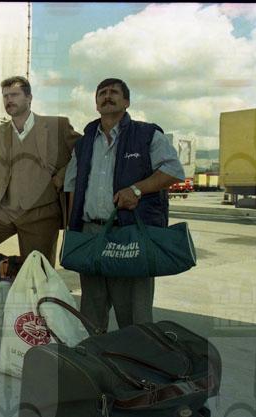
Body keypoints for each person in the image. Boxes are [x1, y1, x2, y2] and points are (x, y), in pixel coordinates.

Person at [65, 78, 185, 331]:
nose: (107, 96)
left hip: (131, 235)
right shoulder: (83, 143)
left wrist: (136, 189)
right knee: (91, 314)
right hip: (91, 234)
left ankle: (135, 355)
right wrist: (73, 230)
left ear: (127, 101)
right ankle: (95, 355)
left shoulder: (147, 135)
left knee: (133, 317)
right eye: (102, 93)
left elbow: (174, 171)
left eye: (114, 92)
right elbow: (73, 187)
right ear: (96, 103)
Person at [0, 76, 80, 266]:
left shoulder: (57, 126)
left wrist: (62, 176)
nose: (9, 100)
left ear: (29, 98)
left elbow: (83, 152)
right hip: (4, 210)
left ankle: (32, 284)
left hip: (41, 213)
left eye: (14, 95)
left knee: (37, 270)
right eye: (5, 96)